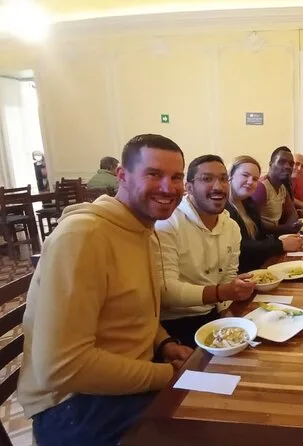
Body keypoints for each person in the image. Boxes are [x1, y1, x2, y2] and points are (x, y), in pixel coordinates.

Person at [18, 134, 193, 446]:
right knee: (208, 428)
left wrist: (164, 342)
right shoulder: (83, 236)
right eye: (154, 174)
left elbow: (130, 308)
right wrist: (166, 374)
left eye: (176, 177)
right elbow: (61, 367)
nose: (169, 188)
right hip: (72, 404)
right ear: (122, 176)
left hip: (123, 384)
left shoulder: (142, 229)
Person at [154, 155, 256, 348]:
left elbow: (228, 275)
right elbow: (166, 292)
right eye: (207, 179)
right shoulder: (168, 223)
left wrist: (228, 311)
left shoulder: (231, 226)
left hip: (213, 316)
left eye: (223, 179)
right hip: (174, 326)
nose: (218, 186)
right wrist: (222, 292)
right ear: (189, 187)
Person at [226, 156, 303, 272]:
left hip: (258, 266)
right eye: (245, 175)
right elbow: (239, 247)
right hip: (239, 273)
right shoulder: (223, 208)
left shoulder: (248, 202)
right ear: (230, 175)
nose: (250, 182)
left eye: (255, 179)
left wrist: (285, 238)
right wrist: (280, 245)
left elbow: (261, 234)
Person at [251, 146, 301, 234]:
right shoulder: (261, 187)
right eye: (281, 162)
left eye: (291, 164)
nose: (288, 167)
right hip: (264, 238)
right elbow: (254, 224)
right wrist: (284, 229)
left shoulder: (282, 187)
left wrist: (292, 226)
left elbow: (292, 213)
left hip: (277, 234)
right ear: (271, 164)